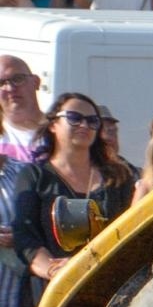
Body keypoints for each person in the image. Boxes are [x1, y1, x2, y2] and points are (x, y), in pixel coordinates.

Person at [13, 93, 133, 285]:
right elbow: (25, 237)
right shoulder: (34, 176)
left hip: (112, 282)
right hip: (55, 287)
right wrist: (54, 270)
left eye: (92, 121)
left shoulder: (118, 176)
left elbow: (131, 230)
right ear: (53, 125)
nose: (84, 125)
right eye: (74, 118)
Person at [0, 56, 48, 162]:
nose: (10, 88)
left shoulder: (59, 133)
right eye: (1, 83)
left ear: (36, 82)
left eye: (18, 79)